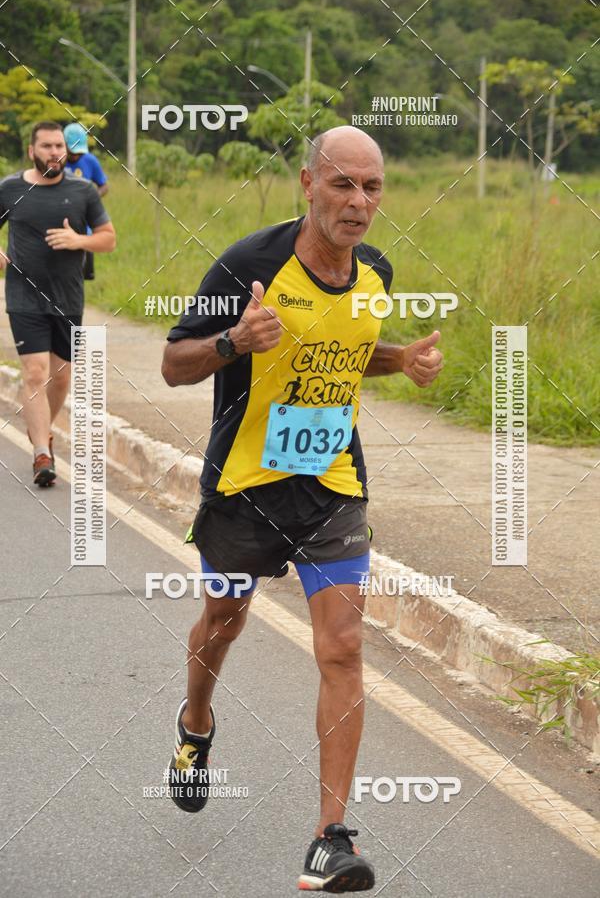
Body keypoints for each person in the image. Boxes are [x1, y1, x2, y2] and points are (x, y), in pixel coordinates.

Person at [161, 125, 443, 893]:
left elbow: (349, 349)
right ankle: (194, 725)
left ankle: (329, 839)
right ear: (308, 183)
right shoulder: (248, 264)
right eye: (343, 184)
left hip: (332, 487)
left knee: (344, 647)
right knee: (223, 623)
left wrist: (401, 359)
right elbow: (172, 362)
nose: (358, 203)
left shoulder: (376, 271)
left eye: (373, 188)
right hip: (245, 488)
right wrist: (233, 341)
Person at [0, 121, 116, 486]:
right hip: (23, 295)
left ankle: (41, 431)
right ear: (32, 151)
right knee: (34, 372)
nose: (55, 152)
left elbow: (108, 239)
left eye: (59, 147)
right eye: (47, 146)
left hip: (67, 297)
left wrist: (76, 240)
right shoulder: (11, 188)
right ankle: (41, 454)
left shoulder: (83, 191)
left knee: (61, 376)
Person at [64, 122, 109, 281]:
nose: (76, 156)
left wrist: (92, 198)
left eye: (79, 152)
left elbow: (104, 186)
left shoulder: (90, 161)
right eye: (72, 152)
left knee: (81, 272)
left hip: (83, 223)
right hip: (58, 219)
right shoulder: (55, 162)